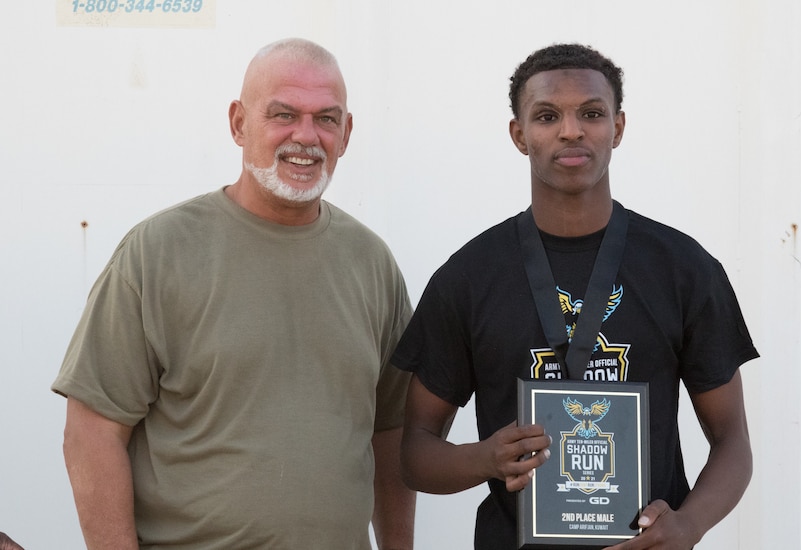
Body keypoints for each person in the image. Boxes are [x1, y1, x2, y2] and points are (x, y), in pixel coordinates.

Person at [52, 38, 415, 549]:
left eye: (327, 119)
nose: (306, 136)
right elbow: (91, 434)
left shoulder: (372, 263)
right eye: (283, 114)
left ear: (347, 132)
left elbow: (391, 434)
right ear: (239, 123)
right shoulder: (157, 253)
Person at [392, 43, 757, 549]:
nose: (571, 130)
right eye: (547, 116)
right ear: (520, 135)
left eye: (592, 113)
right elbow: (414, 454)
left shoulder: (684, 269)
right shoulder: (468, 278)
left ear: (618, 127)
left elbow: (734, 442)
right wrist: (484, 458)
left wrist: (690, 523)